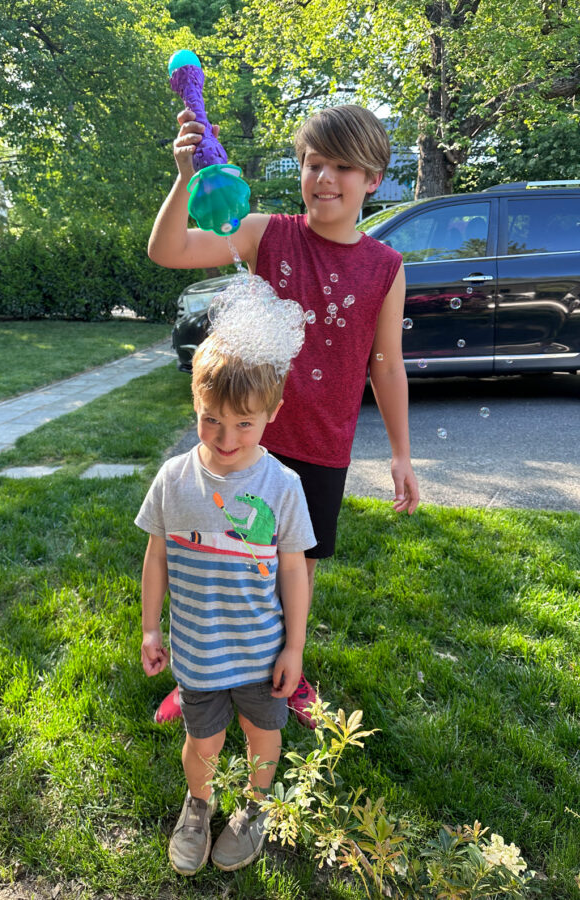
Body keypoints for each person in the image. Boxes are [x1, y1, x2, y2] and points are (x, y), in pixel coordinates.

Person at [148, 102, 420, 728]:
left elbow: (386, 364)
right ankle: (200, 678)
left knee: (290, 572)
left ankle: (286, 673)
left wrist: (401, 455)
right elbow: (168, 250)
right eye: (313, 163)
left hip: (323, 445)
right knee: (219, 565)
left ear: (373, 179)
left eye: (343, 167)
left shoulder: (386, 268)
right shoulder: (265, 232)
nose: (325, 177)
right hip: (241, 441)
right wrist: (184, 178)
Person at [136, 332, 315, 875]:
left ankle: (255, 809)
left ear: (273, 414)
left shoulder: (283, 485)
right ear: (196, 402)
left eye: (245, 422)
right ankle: (198, 805)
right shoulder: (174, 479)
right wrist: (149, 630)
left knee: (264, 735)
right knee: (202, 740)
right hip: (198, 652)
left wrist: (295, 647)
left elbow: (293, 571)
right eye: (212, 418)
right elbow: (156, 558)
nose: (226, 436)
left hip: (261, 652)